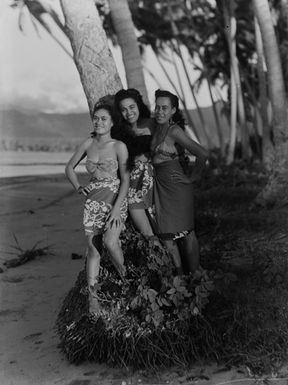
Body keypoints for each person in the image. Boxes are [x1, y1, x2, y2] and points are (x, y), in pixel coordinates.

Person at [65, 103, 129, 315]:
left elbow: (126, 180)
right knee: (93, 249)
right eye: (96, 118)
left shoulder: (119, 146)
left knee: (111, 242)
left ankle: (128, 282)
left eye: (104, 119)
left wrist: (117, 209)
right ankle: (93, 301)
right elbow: (69, 168)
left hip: (114, 199)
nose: (99, 122)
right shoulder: (88, 143)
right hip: (92, 200)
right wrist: (78, 187)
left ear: (112, 122)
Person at [151, 89, 208, 274]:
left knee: (188, 234)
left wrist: (192, 177)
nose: (160, 111)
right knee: (167, 238)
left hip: (177, 188)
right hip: (161, 188)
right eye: (157, 107)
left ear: (173, 110)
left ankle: (195, 277)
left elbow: (202, 153)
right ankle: (181, 280)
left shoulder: (174, 130)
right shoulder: (156, 128)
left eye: (164, 108)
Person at [114, 89, 158, 243]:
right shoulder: (119, 131)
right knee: (147, 233)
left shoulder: (153, 124)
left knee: (165, 230)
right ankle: (160, 266)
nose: (129, 112)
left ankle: (182, 266)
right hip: (132, 184)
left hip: (155, 180)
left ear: (139, 105)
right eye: (123, 110)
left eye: (132, 107)